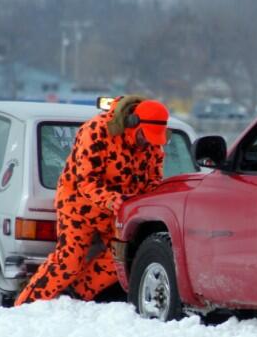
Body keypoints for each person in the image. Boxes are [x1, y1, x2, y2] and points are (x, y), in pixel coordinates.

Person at [15, 95, 169, 306]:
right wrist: (111, 199)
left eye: (154, 139)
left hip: (118, 210)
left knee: (120, 261)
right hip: (79, 203)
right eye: (145, 136)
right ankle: (26, 306)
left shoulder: (153, 147)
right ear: (133, 123)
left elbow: (154, 181)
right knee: (68, 262)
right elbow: (85, 181)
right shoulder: (95, 131)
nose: (148, 143)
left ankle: (75, 298)